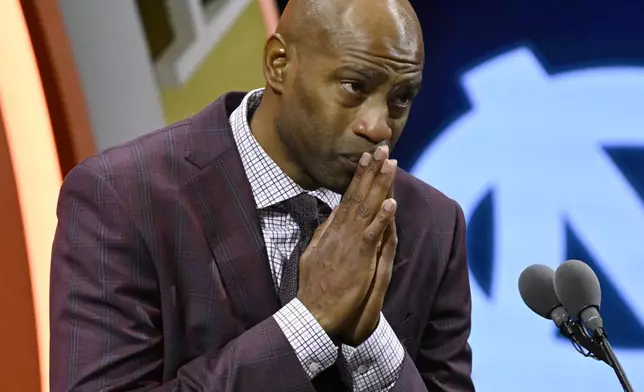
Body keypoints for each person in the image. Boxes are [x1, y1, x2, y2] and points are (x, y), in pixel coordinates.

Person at [49, 0, 474, 390]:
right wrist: (310, 322)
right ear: (278, 64)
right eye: (354, 86)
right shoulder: (124, 199)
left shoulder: (432, 223)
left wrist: (370, 344)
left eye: (401, 98)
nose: (379, 127)